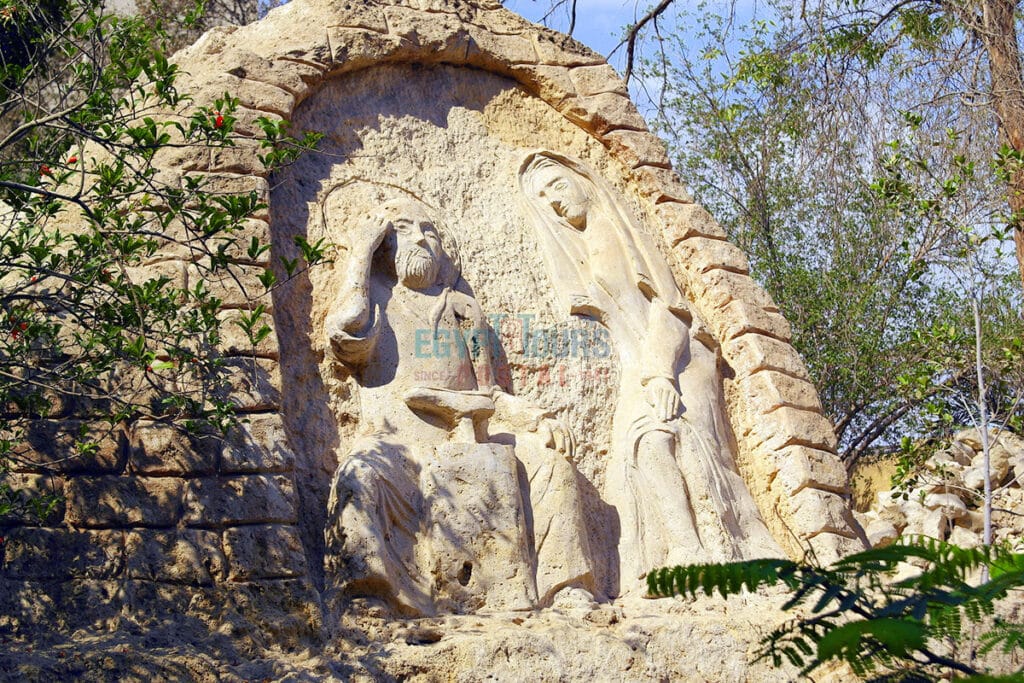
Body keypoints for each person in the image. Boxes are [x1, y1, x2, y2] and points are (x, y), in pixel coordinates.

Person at [518, 151, 782, 591]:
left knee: (660, 442)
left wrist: (660, 373)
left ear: (583, 179)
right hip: (637, 367)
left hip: (678, 358)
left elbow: (672, 309)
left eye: (558, 186)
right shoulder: (581, 248)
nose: (554, 202)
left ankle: (707, 551)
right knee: (637, 450)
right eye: (543, 198)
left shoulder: (619, 232)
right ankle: (675, 556)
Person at [323, 196, 595, 615]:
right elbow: (348, 333)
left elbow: (490, 391)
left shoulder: (465, 309)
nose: (421, 238)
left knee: (551, 466)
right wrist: (360, 254)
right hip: (399, 449)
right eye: (405, 228)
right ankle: (370, 593)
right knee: (358, 476)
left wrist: (534, 416)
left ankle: (566, 588)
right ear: (384, 244)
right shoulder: (376, 299)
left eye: (429, 230)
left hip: (470, 435)